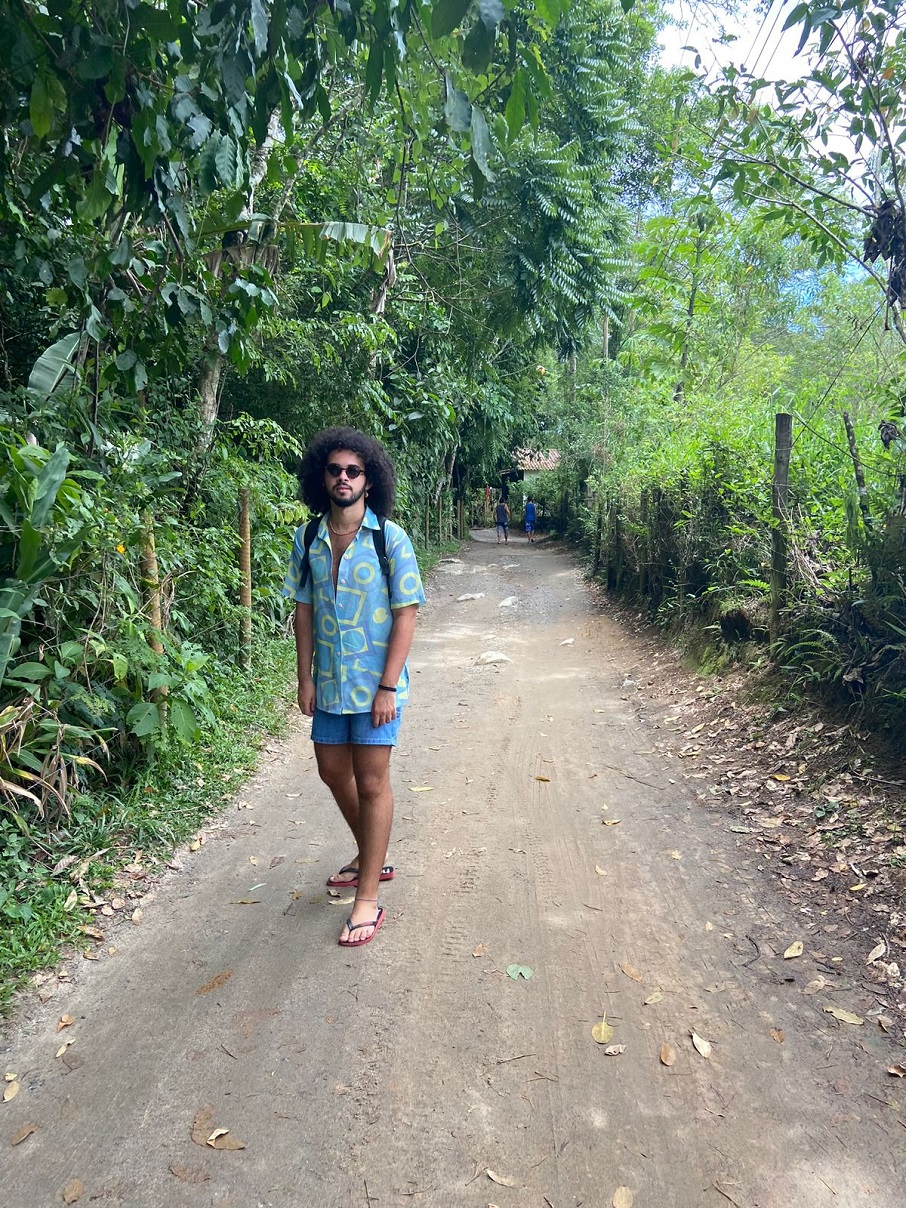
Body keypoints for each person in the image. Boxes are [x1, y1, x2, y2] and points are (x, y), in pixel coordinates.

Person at [283, 427, 425, 947]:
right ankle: (372, 853)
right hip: (328, 684)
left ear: (369, 480)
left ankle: (367, 899)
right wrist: (304, 677)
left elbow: (407, 614)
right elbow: (303, 610)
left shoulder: (390, 538)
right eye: (334, 470)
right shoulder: (307, 538)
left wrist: (388, 685)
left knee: (371, 783)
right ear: (321, 476)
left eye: (353, 470)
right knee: (330, 770)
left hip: (375, 688)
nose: (343, 478)